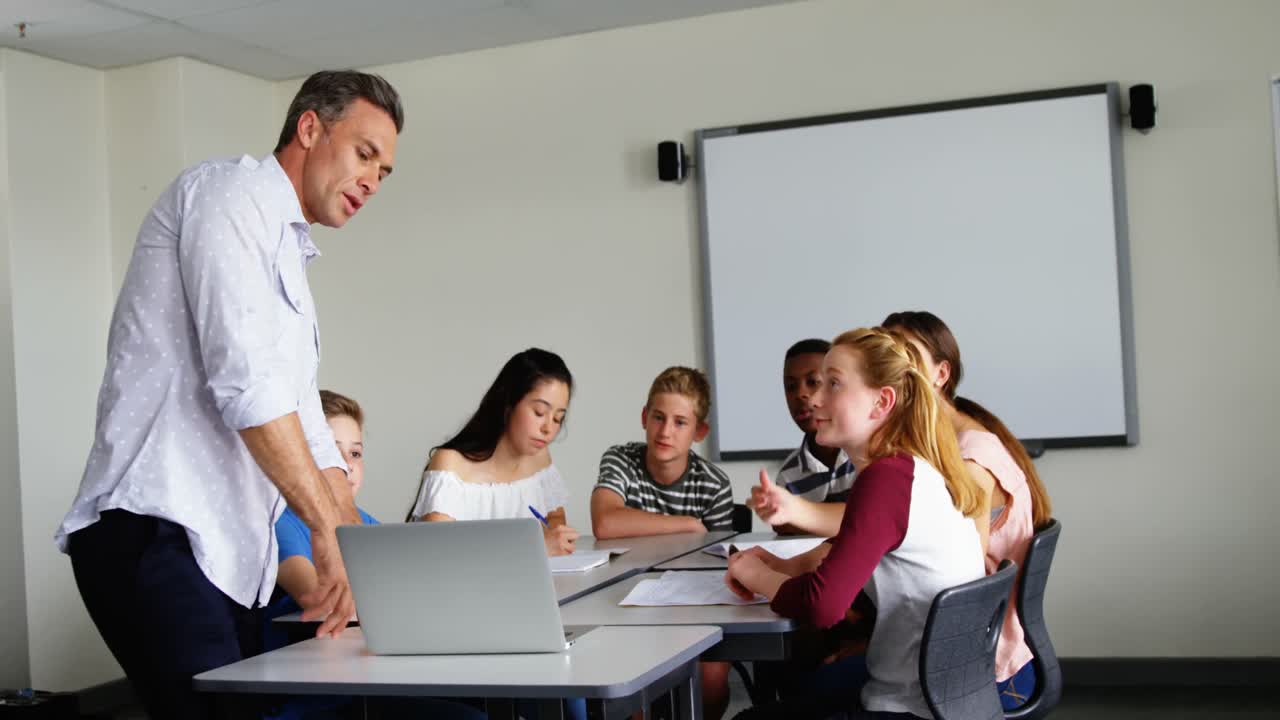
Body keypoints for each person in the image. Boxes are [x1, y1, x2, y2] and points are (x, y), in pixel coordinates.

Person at [54, 70, 403, 718]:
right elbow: (246, 383)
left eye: (383, 172)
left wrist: (355, 551)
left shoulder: (288, 251)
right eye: (364, 154)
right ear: (309, 128)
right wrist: (324, 531)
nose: (372, 182)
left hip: (225, 557)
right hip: (157, 528)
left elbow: (306, 418)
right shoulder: (228, 194)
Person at [725, 327, 986, 719]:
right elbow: (847, 550)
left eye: (833, 384)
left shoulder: (886, 479)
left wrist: (753, 573)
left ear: (882, 402)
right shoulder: (904, 468)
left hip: (909, 708)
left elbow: (822, 606)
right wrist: (780, 567)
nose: (814, 398)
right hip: (942, 696)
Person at [882, 310, 1053, 709]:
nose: (892, 367)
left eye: (908, 355)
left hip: (983, 669)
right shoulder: (951, 440)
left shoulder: (970, 458)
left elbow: (964, 578)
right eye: (887, 354)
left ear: (941, 374)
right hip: (971, 650)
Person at [589, 366, 734, 720]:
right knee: (628, 683)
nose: (665, 431)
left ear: (700, 431)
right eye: (658, 417)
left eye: (680, 422)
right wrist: (688, 524)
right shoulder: (620, 459)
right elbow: (606, 522)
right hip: (623, 602)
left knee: (711, 679)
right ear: (644, 417)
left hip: (694, 603)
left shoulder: (714, 483)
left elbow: (720, 564)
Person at [407, 348, 581, 557]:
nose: (548, 428)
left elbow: (555, 519)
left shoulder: (539, 459)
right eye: (539, 412)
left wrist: (555, 536)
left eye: (558, 418)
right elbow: (440, 554)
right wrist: (534, 548)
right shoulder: (450, 466)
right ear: (509, 402)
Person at [772, 338, 855, 532]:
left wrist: (798, 518)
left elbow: (867, 520)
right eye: (790, 386)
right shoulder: (788, 477)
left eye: (813, 382)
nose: (800, 394)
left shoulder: (869, 455)